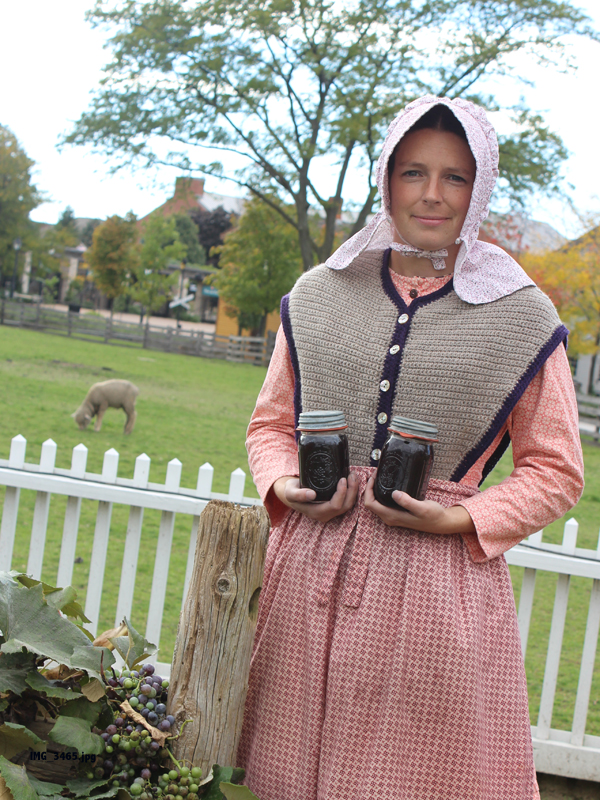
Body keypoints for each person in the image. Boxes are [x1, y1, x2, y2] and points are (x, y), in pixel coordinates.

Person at [237, 95, 584, 800]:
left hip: (437, 590)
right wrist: (283, 484)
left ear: (480, 187)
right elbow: (270, 426)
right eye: (413, 172)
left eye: (455, 177)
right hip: (307, 575)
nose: (432, 194)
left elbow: (556, 469)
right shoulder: (318, 294)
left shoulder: (521, 315)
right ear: (386, 178)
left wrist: (462, 518)